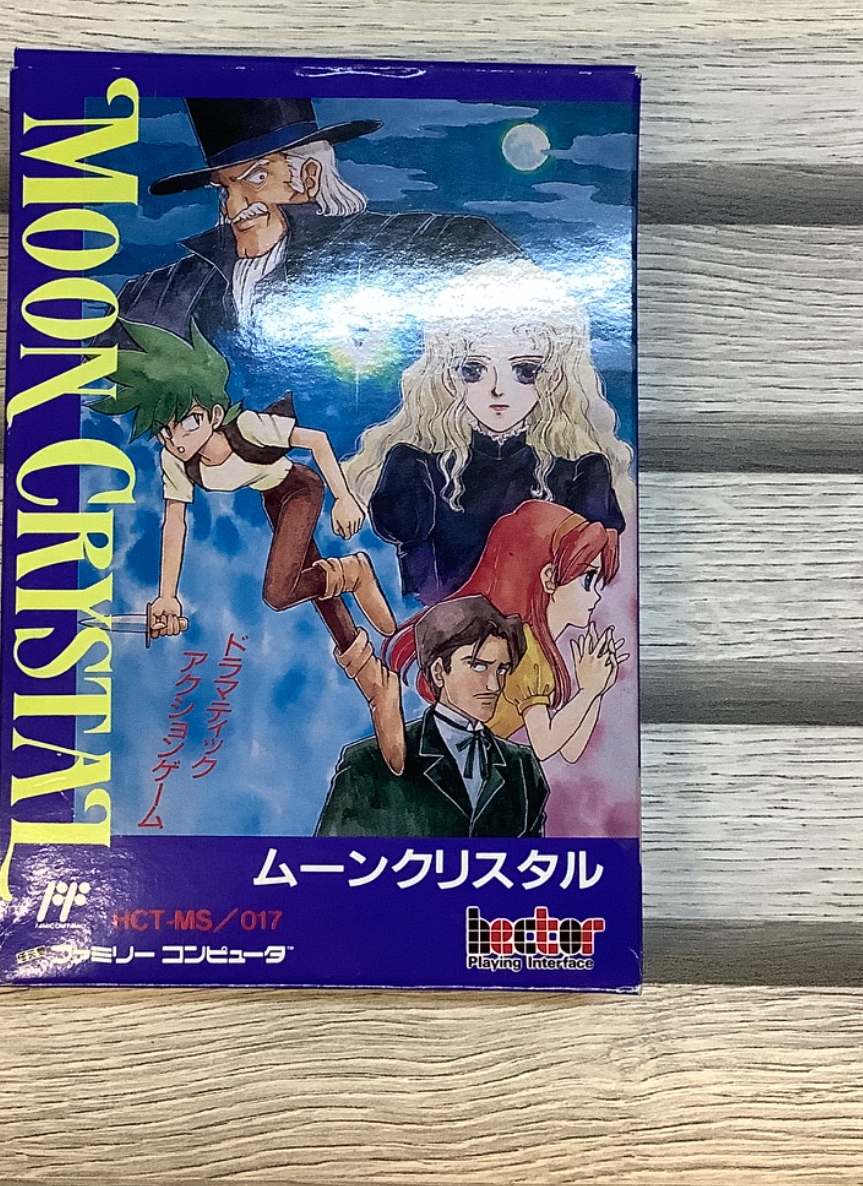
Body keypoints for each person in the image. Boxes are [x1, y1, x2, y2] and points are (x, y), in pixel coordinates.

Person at [92, 318, 405, 767]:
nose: (177, 440)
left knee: (279, 591)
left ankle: (351, 571)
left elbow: (316, 440)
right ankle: (374, 680)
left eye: (188, 422)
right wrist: (166, 596)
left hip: (300, 489)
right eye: (165, 430)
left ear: (214, 414)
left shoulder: (250, 428)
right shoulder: (176, 461)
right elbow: (174, 522)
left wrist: (343, 498)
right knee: (316, 595)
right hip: (272, 499)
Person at [118, 97, 525, 355]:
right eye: (223, 188)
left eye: (257, 177)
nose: (233, 206)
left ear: (309, 176)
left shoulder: (396, 245)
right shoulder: (166, 289)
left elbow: (489, 256)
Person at [347, 266, 635, 604]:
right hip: (444, 630)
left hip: (543, 630)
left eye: (525, 370)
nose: (498, 389)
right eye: (473, 370)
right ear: (446, 376)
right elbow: (418, 593)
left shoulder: (581, 473)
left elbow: (590, 587)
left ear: (555, 377)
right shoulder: (416, 467)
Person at [385, 501, 627, 765]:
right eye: (588, 580)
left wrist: (596, 690)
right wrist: (588, 692)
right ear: (549, 577)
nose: (597, 595)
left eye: (600, 582)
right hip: (450, 756)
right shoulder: (526, 650)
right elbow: (544, 745)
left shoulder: (543, 651)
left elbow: (571, 751)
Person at [316, 596, 548, 838]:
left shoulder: (522, 767)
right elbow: (330, 857)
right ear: (438, 672)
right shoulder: (368, 763)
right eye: (478, 666)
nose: (494, 685)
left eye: (502, 669)